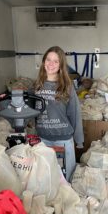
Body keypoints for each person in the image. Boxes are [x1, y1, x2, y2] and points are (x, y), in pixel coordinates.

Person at [34, 46, 84, 182]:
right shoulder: (36, 86)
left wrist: (79, 140)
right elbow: (30, 111)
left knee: (65, 180)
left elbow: (75, 113)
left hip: (63, 140)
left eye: (56, 61)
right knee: (46, 179)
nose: (51, 64)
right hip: (43, 140)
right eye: (48, 60)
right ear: (44, 61)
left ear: (61, 65)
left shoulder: (67, 87)